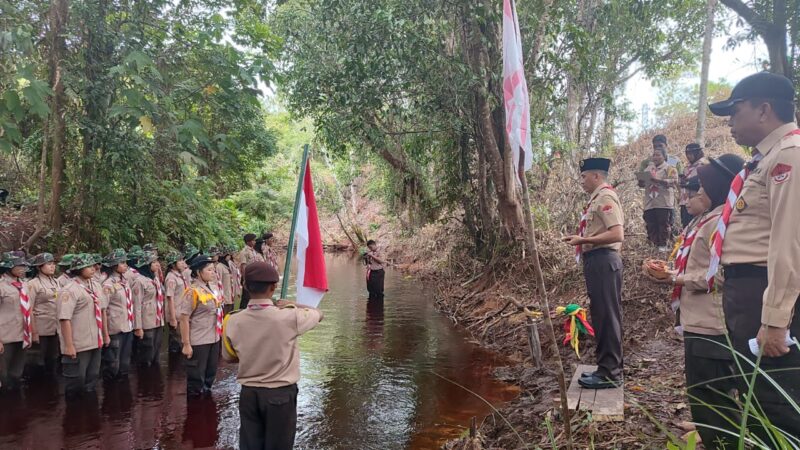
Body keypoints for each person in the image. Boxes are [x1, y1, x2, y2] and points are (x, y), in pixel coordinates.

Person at [707, 71, 800, 440]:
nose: (730, 122)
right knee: (757, 395)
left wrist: (777, 319)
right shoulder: (765, 160)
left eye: (735, 110)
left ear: (764, 110)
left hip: (764, 290)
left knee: (776, 400)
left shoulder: (788, 157)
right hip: (747, 292)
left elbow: (789, 241)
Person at [648, 156, 745, 448]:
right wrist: (670, 273)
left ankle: (721, 440)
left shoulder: (720, 223)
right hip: (696, 319)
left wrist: (676, 279)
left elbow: (721, 276)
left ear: (715, 190)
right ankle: (708, 428)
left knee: (711, 388)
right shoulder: (704, 220)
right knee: (702, 386)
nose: (693, 194)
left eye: (700, 188)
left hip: (711, 323)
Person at [222, 262, 323, 450]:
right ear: (274, 287)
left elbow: (229, 357)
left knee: (250, 445)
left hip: (249, 394)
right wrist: (293, 305)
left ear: (245, 286)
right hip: (280, 394)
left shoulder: (232, 320)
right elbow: (318, 313)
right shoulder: (289, 317)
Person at [562, 158, 625, 389]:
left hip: (604, 261)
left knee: (607, 316)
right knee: (602, 315)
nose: (582, 181)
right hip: (598, 261)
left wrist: (584, 239)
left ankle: (610, 373)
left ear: (596, 176)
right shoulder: (596, 199)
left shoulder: (606, 197)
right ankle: (606, 368)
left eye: (584, 176)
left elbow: (617, 234)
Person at [57, 253, 109, 398]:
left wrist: (105, 335)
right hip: (79, 344)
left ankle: (89, 415)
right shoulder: (70, 290)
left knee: (92, 380)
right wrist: (68, 345)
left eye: (93, 265)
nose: (93, 269)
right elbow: (64, 318)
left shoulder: (96, 286)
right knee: (76, 383)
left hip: (95, 341)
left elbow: (102, 311)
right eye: (88, 266)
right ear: (79, 269)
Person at [179, 254, 223, 397]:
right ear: (198, 272)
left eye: (213, 269)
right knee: (196, 380)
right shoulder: (192, 291)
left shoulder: (212, 288)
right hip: (199, 340)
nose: (213, 273)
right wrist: (186, 344)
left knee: (210, 375)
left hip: (214, 338)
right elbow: (184, 319)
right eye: (209, 270)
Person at [100, 248, 139, 382]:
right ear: (115, 265)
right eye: (122, 263)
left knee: (125, 362)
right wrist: (105, 334)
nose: (125, 265)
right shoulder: (108, 284)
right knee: (113, 363)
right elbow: (103, 309)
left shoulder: (125, 281)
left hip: (127, 326)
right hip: (115, 328)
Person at [0, 252, 35, 392]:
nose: (22, 268)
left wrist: (31, 333)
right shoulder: (1, 286)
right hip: (5, 337)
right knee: (3, 375)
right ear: (9, 267)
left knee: (16, 374)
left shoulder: (24, 285)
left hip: (22, 336)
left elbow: (28, 309)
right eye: (18, 265)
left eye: (23, 265)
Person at [27, 252, 61, 376]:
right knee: (38, 362)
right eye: (49, 264)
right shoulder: (33, 284)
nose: (52, 266)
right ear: (39, 266)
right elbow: (28, 308)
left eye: (53, 264)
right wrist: (34, 332)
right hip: (40, 328)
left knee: (53, 360)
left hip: (55, 327)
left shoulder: (56, 282)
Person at [640, 145, 679, 251]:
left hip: (663, 202)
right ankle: (654, 245)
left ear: (664, 156)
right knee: (651, 225)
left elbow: (673, 181)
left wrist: (657, 180)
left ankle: (663, 246)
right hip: (650, 202)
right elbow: (641, 184)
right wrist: (641, 179)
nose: (655, 157)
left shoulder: (670, 167)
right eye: (654, 155)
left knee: (664, 225)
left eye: (658, 155)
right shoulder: (649, 168)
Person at [131, 251, 164, 367]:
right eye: (153, 262)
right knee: (147, 351)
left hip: (158, 319)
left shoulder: (154, 278)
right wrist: (138, 327)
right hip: (147, 321)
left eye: (157, 262)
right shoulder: (139, 281)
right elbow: (137, 305)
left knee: (156, 350)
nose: (157, 264)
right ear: (147, 264)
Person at [678, 143, 709, 227]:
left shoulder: (705, 165)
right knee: (686, 227)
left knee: (697, 226)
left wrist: (688, 183)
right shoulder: (686, 167)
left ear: (698, 153)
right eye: (687, 154)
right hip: (685, 202)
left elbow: (704, 182)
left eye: (691, 153)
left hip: (698, 201)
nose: (688, 156)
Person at [164, 251, 188, 354]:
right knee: (176, 343)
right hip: (176, 314)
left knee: (181, 340)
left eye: (183, 260)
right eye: (180, 261)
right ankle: (174, 367)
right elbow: (170, 298)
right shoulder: (171, 278)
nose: (183, 262)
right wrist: (173, 318)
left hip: (181, 313)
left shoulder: (179, 275)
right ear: (173, 264)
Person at [210, 247, 233, 314]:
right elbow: (216, 282)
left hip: (227, 293)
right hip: (222, 295)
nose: (217, 256)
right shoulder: (218, 267)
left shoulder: (222, 265)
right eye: (216, 255)